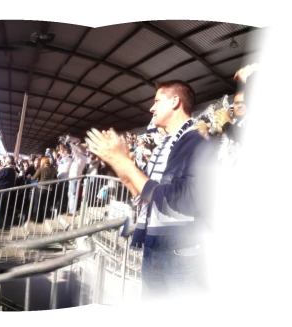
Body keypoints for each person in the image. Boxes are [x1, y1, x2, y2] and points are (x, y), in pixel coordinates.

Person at [85, 80, 214, 299]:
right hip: (153, 245)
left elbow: (182, 200)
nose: (151, 108)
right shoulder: (162, 147)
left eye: (156, 101)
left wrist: (122, 161)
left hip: (181, 252)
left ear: (175, 102)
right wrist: (119, 162)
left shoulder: (199, 143)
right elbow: (144, 196)